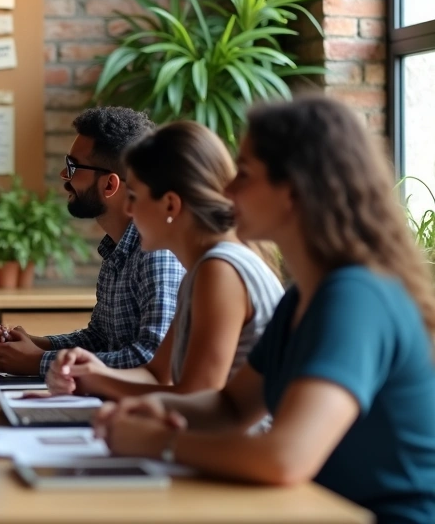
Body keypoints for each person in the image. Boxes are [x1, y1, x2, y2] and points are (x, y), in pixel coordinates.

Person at [94, 98, 435, 523]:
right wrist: (161, 410)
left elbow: (285, 458)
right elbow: (231, 408)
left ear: (293, 190)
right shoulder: (303, 297)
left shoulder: (357, 298)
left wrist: (157, 442)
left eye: (246, 174)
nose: (229, 190)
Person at [46, 121, 282, 400]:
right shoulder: (200, 270)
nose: (129, 209)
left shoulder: (219, 270)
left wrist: (109, 400)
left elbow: (196, 400)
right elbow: (158, 375)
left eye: (133, 196)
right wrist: (91, 377)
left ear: (170, 205)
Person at [0, 107, 185, 376]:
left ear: (110, 186)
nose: (65, 178)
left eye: (73, 167)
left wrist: (38, 362)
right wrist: (34, 345)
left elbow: (152, 360)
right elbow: (100, 339)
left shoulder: (158, 254)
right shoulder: (117, 248)